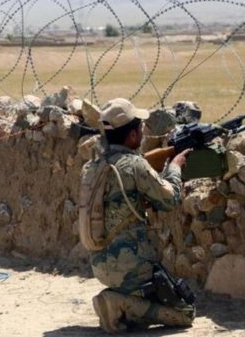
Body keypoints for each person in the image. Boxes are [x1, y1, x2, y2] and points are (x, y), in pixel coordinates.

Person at [86, 98, 195, 333]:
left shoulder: (92, 167)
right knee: (185, 314)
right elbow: (169, 199)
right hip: (132, 267)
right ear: (133, 136)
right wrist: (175, 166)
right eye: (140, 128)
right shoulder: (134, 165)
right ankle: (116, 303)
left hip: (100, 264)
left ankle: (119, 304)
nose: (143, 131)